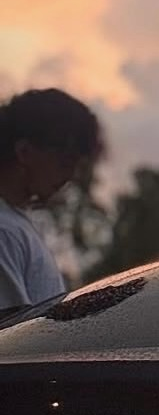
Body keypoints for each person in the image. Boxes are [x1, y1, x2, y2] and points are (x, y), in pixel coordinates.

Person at [0, 87, 104, 314]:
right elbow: (13, 335)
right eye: (64, 162)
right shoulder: (5, 231)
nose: (70, 175)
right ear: (25, 152)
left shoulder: (16, 225)